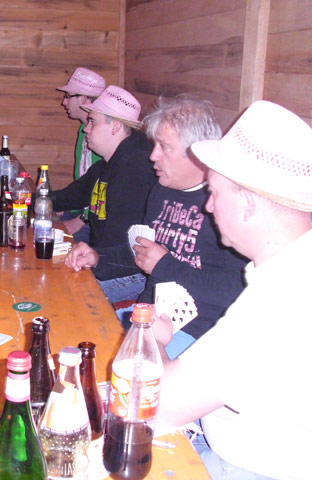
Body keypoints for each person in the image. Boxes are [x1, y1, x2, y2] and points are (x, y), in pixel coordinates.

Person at [153, 100, 312, 479]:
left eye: (215, 192)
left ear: (247, 203)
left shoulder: (280, 301)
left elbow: (156, 406)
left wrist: (155, 339)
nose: (208, 207)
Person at [68, 94, 247, 358]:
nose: (153, 156)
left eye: (164, 147)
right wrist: (98, 257)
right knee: (69, 333)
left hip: (195, 333)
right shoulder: (162, 190)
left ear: (196, 153)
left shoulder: (225, 204)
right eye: (155, 145)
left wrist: (166, 266)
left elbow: (236, 290)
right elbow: (144, 253)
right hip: (146, 316)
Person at [53, 85, 156, 302]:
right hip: (106, 261)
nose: (86, 129)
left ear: (115, 126)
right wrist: (24, 200)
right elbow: (70, 196)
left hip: (133, 272)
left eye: (93, 122)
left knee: (63, 295)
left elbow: (125, 249)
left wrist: (93, 262)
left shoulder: (136, 167)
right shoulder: (108, 164)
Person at [55, 67, 106, 244]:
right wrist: (66, 203)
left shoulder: (103, 138)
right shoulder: (83, 129)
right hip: (82, 210)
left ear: (84, 98)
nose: (64, 102)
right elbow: (84, 182)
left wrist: (82, 219)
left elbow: (106, 188)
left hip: (94, 219)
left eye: (68, 96)